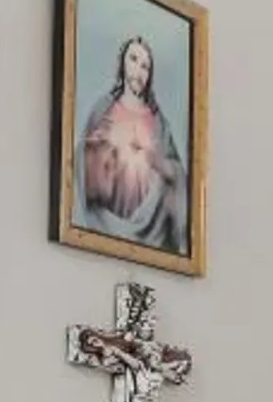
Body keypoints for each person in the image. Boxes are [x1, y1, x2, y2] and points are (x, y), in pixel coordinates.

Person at [75, 34, 189, 255]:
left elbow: (178, 175)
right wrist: (100, 151)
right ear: (123, 64)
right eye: (134, 59)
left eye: (146, 66)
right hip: (109, 220)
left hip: (152, 225)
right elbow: (82, 158)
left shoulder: (158, 121)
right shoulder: (104, 109)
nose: (139, 70)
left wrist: (158, 163)